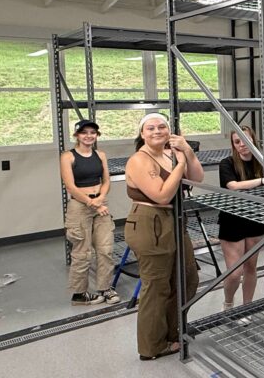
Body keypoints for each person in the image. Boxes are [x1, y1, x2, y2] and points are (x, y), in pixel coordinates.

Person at [123, 113, 204, 360]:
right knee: (157, 286)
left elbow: (198, 178)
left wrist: (187, 153)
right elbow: (161, 196)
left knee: (187, 278)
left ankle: (172, 332)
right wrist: (180, 165)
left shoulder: (170, 155)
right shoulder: (140, 160)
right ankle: (152, 346)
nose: (157, 131)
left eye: (162, 127)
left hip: (175, 223)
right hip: (151, 223)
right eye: (151, 128)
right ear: (142, 134)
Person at [218, 126, 264, 311]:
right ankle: (228, 302)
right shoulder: (227, 163)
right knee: (235, 273)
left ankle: (246, 307)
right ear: (233, 145)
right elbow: (233, 186)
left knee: (251, 267)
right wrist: (262, 181)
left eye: (246, 140)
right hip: (232, 220)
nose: (242, 145)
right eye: (237, 142)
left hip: (255, 219)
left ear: (253, 140)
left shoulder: (262, 163)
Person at [59, 118, 119, 306]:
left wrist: (100, 198)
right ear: (77, 135)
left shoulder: (100, 155)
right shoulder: (68, 156)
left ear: (97, 135)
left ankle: (105, 288)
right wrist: (94, 203)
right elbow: (70, 186)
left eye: (92, 132)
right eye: (84, 133)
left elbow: (106, 180)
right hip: (80, 206)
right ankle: (79, 294)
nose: (89, 136)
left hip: (100, 203)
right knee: (82, 252)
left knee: (106, 249)